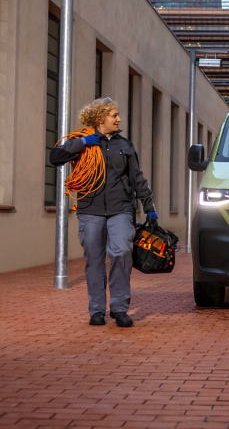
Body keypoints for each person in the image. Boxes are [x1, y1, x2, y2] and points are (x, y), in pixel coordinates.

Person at [50, 97, 157, 327]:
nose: (119, 119)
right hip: (90, 210)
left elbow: (137, 178)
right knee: (94, 261)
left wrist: (149, 207)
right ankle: (96, 310)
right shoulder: (82, 142)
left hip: (121, 209)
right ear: (100, 119)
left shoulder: (125, 145)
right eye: (114, 115)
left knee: (121, 253)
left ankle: (119, 309)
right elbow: (55, 158)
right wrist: (84, 143)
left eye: (118, 115)